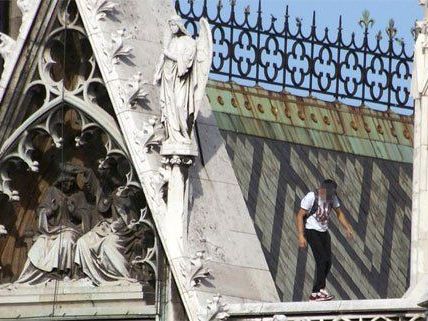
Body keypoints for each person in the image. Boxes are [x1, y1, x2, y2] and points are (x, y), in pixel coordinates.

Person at [16, 163, 90, 284]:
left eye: (72, 182)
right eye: (66, 182)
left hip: (71, 230)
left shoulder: (79, 194)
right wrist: (51, 211)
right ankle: (31, 278)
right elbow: (41, 210)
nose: (69, 185)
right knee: (39, 245)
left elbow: (87, 215)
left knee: (67, 240)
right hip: (51, 231)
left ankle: (65, 273)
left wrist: (75, 212)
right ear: (61, 180)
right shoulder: (52, 191)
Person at [295, 179, 354, 301]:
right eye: (326, 193)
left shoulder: (333, 198)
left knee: (328, 262)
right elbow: (300, 215)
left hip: (323, 231)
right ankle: (320, 290)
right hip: (311, 230)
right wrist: (301, 235)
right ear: (322, 189)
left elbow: (339, 213)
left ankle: (315, 293)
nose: (328, 196)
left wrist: (347, 227)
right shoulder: (312, 196)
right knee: (321, 260)